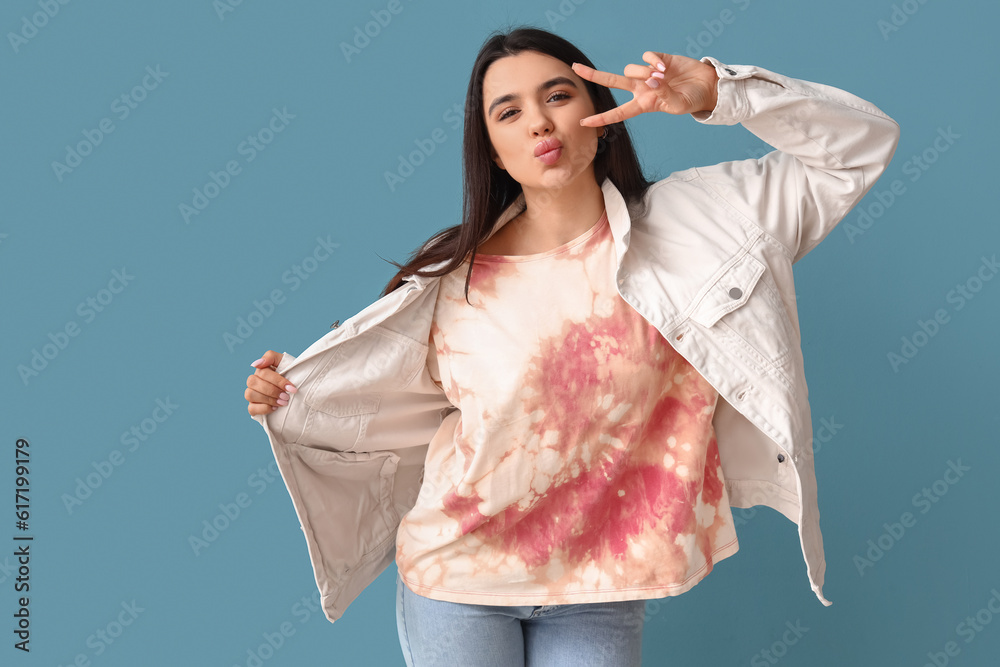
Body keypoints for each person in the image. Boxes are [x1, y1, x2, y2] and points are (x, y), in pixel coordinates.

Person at [244, 26, 899, 667]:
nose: (539, 122)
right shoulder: (451, 279)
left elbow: (861, 148)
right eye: (509, 111)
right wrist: (287, 389)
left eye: (557, 95)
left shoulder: (705, 225)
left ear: (601, 113)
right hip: (460, 577)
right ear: (495, 152)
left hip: (603, 581)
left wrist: (713, 91)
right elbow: (370, 396)